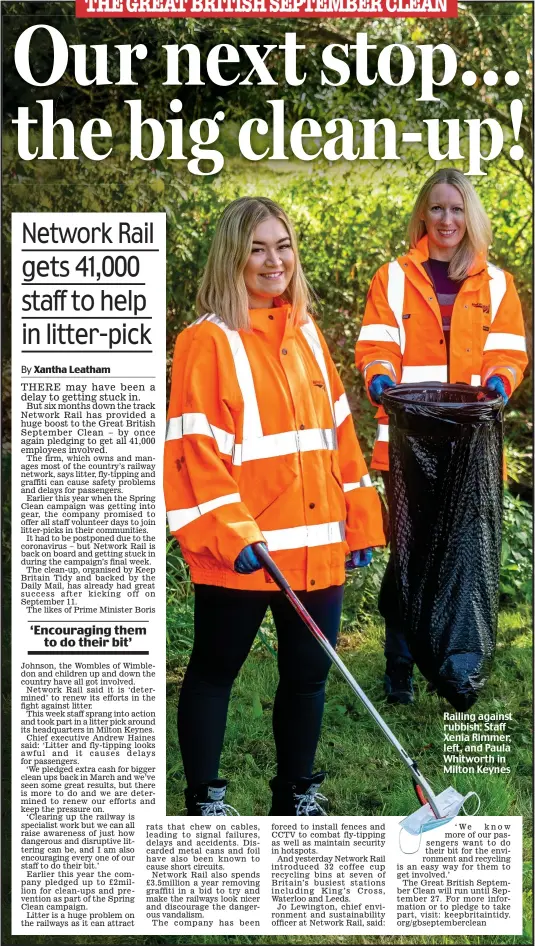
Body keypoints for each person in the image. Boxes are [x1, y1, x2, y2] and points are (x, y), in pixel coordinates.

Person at [164, 197, 386, 816]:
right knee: (215, 673)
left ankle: (296, 795)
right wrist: (234, 534)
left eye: (282, 246)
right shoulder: (205, 342)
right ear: (233, 257)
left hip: (316, 544)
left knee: (308, 678)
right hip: (242, 549)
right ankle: (205, 799)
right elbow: (193, 451)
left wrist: (361, 516)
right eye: (257, 248)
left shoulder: (308, 333)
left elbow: (339, 434)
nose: (273, 261)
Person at [355, 168, 527, 706]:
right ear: (422, 216)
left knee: (461, 559)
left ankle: (452, 664)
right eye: (436, 208)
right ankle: (401, 666)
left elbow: (508, 353)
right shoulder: (394, 278)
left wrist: (500, 384)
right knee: (411, 556)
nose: (446, 219)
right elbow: (376, 345)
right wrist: (380, 379)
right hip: (409, 446)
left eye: (456, 209)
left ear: (470, 216)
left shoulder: (496, 284)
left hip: (470, 449)